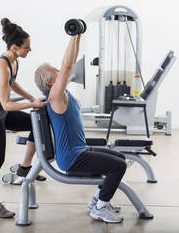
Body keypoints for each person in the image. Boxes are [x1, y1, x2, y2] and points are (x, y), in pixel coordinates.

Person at [34, 34, 127, 223]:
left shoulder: (61, 93)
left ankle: (96, 201)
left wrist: (78, 36)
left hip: (79, 150)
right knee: (119, 166)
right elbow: (68, 66)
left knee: (120, 158)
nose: (63, 71)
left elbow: (70, 63)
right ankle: (100, 209)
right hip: (72, 158)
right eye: (56, 72)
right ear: (51, 83)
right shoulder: (55, 96)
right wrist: (73, 35)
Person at [0, 18, 48, 218]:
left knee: (37, 123)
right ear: (15, 47)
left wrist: (31, 97)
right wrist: (32, 104)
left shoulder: (13, 60)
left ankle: (25, 167)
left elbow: (13, 83)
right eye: (27, 47)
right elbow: (6, 104)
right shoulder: (1, 65)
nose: (30, 50)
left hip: (2, 115)